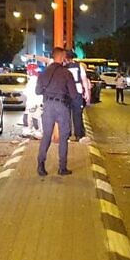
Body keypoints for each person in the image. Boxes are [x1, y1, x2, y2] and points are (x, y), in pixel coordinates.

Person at [36, 47, 78, 176]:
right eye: (65, 57)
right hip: (62, 106)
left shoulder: (43, 73)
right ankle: (62, 168)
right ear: (61, 57)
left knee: (46, 136)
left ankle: (41, 165)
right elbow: (74, 94)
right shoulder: (67, 73)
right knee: (64, 137)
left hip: (48, 106)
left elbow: (37, 91)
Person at [65, 50, 91, 141]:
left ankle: (66, 135)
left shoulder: (63, 67)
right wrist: (87, 92)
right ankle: (78, 135)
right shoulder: (79, 66)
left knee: (66, 115)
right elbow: (84, 79)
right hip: (77, 91)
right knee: (77, 115)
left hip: (66, 92)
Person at [21, 66, 43, 139]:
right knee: (37, 118)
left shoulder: (32, 80)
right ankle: (38, 131)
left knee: (29, 117)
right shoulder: (38, 79)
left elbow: (26, 92)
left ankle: (30, 131)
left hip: (32, 102)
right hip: (38, 103)